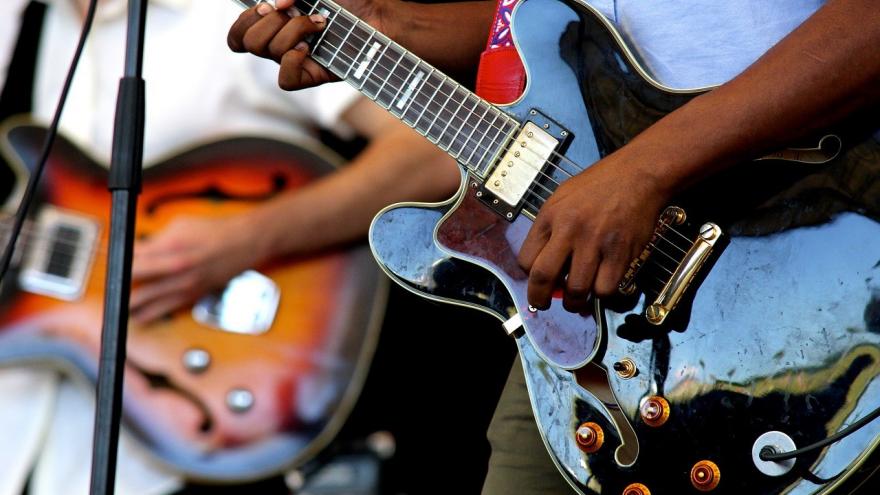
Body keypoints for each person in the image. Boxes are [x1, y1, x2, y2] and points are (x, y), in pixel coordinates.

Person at [227, 0, 880, 493]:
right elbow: (572, 22)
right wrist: (389, 28)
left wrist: (641, 172)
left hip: (811, 224)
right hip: (603, 322)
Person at [0, 0, 463, 494]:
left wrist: (246, 240)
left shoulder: (241, 9)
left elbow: (436, 148)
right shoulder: (15, 21)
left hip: (202, 435)